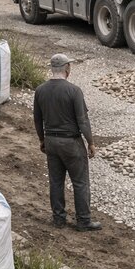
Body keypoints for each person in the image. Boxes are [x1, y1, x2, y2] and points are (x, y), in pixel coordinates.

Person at [33, 53, 102, 231]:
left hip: (51, 141)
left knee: (56, 181)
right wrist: (91, 142)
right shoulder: (74, 91)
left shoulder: (40, 90)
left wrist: (42, 139)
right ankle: (84, 221)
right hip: (71, 143)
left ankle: (58, 219)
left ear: (52, 69)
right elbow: (83, 120)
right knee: (80, 182)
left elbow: (37, 119)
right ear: (67, 69)